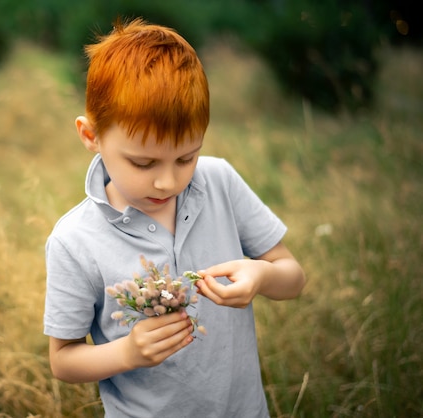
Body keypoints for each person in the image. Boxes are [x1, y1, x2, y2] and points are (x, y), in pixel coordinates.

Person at [43, 17, 306, 417]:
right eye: (143, 162)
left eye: (186, 157)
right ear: (91, 136)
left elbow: (293, 277)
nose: (167, 181)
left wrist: (263, 276)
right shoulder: (74, 241)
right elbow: (63, 360)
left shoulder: (219, 182)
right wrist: (129, 352)